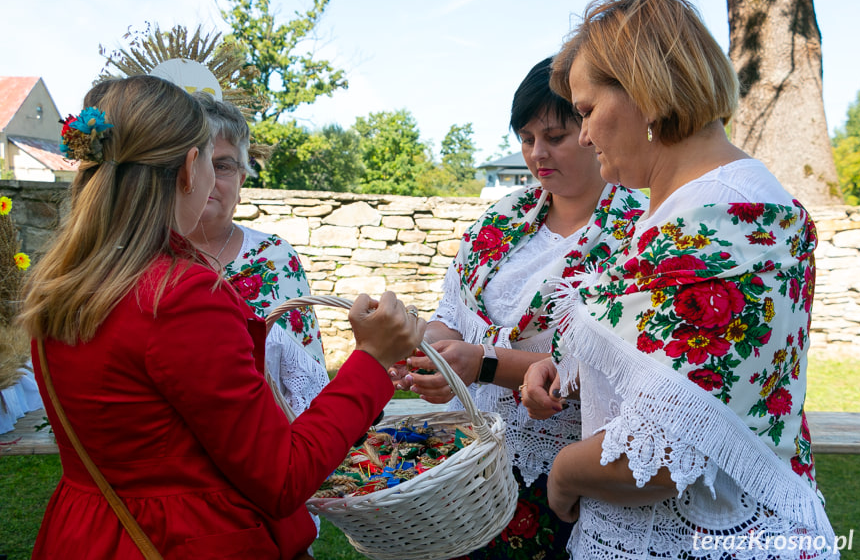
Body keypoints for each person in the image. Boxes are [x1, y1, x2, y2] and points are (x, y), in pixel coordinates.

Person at [19, 75, 425, 559]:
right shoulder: (178, 297)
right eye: (213, 161)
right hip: (186, 539)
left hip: (87, 530)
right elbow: (282, 477)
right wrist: (373, 360)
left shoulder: (68, 281)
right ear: (192, 167)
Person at [521, 0, 837, 558]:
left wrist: (564, 474)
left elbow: (671, 450)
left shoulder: (733, 212)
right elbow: (667, 354)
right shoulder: (684, 206)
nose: (585, 135)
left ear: (646, 92)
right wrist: (570, 365)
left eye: (588, 111)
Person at [394, 58, 647, 559]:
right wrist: (427, 354)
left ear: (593, 128)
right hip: (478, 461)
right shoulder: (504, 217)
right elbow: (455, 309)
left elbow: (618, 367)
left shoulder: (636, 228)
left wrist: (483, 365)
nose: (537, 153)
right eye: (526, 137)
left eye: (554, 135)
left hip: (572, 469)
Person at [186, 92, 328, 417]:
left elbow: (309, 381)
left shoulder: (275, 258)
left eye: (222, 165)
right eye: (196, 162)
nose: (207, 178)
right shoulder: (142, 256)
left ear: (242, 178)